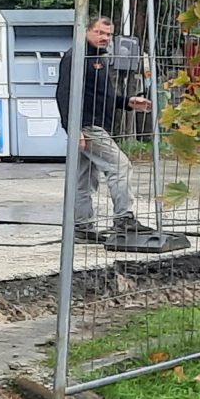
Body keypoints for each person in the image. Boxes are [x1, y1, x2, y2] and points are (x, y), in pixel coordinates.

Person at [56, 14, 150, 239]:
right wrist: (74, 128)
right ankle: (124, 219)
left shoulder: (99, 58)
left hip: (94, 125)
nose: (104, 37)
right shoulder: (77, 56)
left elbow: (100, 96)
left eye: (108, 34)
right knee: (121, 166)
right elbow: (64, 93)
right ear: (86, 31)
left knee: (84, 178)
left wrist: (126, 102)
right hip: (88, 126)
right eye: (99, 32)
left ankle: (82, 227)